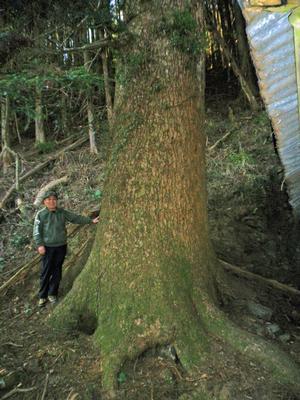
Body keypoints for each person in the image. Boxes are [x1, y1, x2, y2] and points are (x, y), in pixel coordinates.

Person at [33, 190, 99, 307]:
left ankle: (52, 293)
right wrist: (40, 245)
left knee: (57, 271)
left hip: (61, 246)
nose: (52, 202)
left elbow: (75, 218)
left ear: (56, 201)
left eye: (54, 199)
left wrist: (91, 220)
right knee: (46, 271)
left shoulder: (62, 212)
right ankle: (42, 296)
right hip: (47, 248)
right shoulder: (41, 214)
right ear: (44, 202)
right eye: (49, 200)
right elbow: (37, 231)